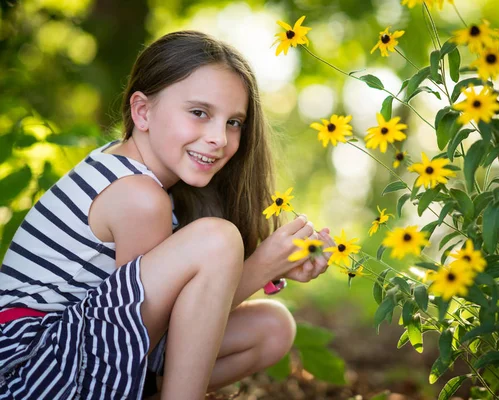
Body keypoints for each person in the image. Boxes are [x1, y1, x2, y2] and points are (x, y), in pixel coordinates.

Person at [0, 30, 334, 400]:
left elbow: (175, 322)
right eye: (199, 113)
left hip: (71, 356)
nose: (219, 138)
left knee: (273, 328)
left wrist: (278, 267)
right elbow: (147, 333)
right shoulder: (138, 197)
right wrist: (261, 267)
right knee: (217, 238)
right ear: (142, 111)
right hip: (27, 373)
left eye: (233, 122)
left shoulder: (135, 174)